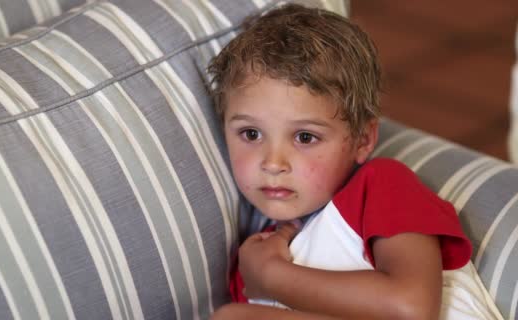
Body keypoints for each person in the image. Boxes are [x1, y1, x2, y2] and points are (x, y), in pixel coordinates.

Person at [205, 4, 490, 319]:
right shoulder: (254, 255)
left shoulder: (381, 187)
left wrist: (272, 277)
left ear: (363, 140)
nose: (273, 163)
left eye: (304, 138)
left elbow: (410, 308)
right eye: (251, 133)